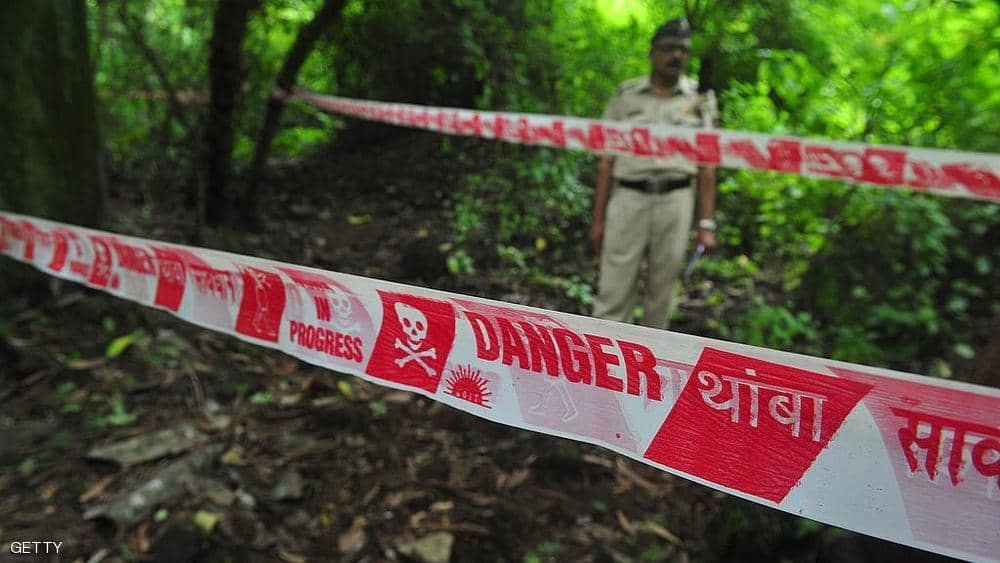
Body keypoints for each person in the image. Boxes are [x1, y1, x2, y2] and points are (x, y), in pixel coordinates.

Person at [589, 17, 718, 330]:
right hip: (629, 197)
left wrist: (705, 224)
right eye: (669, 48)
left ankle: (651, 355)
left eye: (683, 50)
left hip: (676, 200)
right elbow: (606, 161)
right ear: (652, 52)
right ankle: (605, 348)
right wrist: (598, 219)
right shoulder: (626, 96)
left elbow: (708, 165)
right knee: (613, 288)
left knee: (662, 291)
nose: (676, 56)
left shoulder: (700, 100)